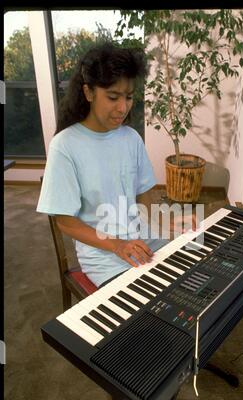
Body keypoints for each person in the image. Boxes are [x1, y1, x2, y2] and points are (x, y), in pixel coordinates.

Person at [37, 42, 170, 288]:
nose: (123, 108)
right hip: (104, 255)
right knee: (144, 313)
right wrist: (117, 244)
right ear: (89, 93)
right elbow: (65, 221)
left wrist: (168, 222)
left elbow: (146, 196)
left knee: (188, 280)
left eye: (129, 97)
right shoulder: (65, 145)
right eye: (112, 97)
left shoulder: (131, 138)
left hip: (143, 240)